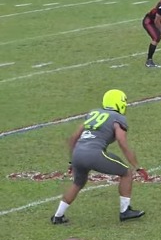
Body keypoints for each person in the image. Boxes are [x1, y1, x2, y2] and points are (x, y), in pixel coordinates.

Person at [52, 89, 147, 224]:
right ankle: (125, 211)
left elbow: (74, 137)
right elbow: (121, 141)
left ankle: (58, 216)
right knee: (126, 173)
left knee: (78, 182)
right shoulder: (118, 118)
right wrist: (137, 166)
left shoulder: (93, 113)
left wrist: (71, 160)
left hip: (78, 153)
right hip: (94, 153)